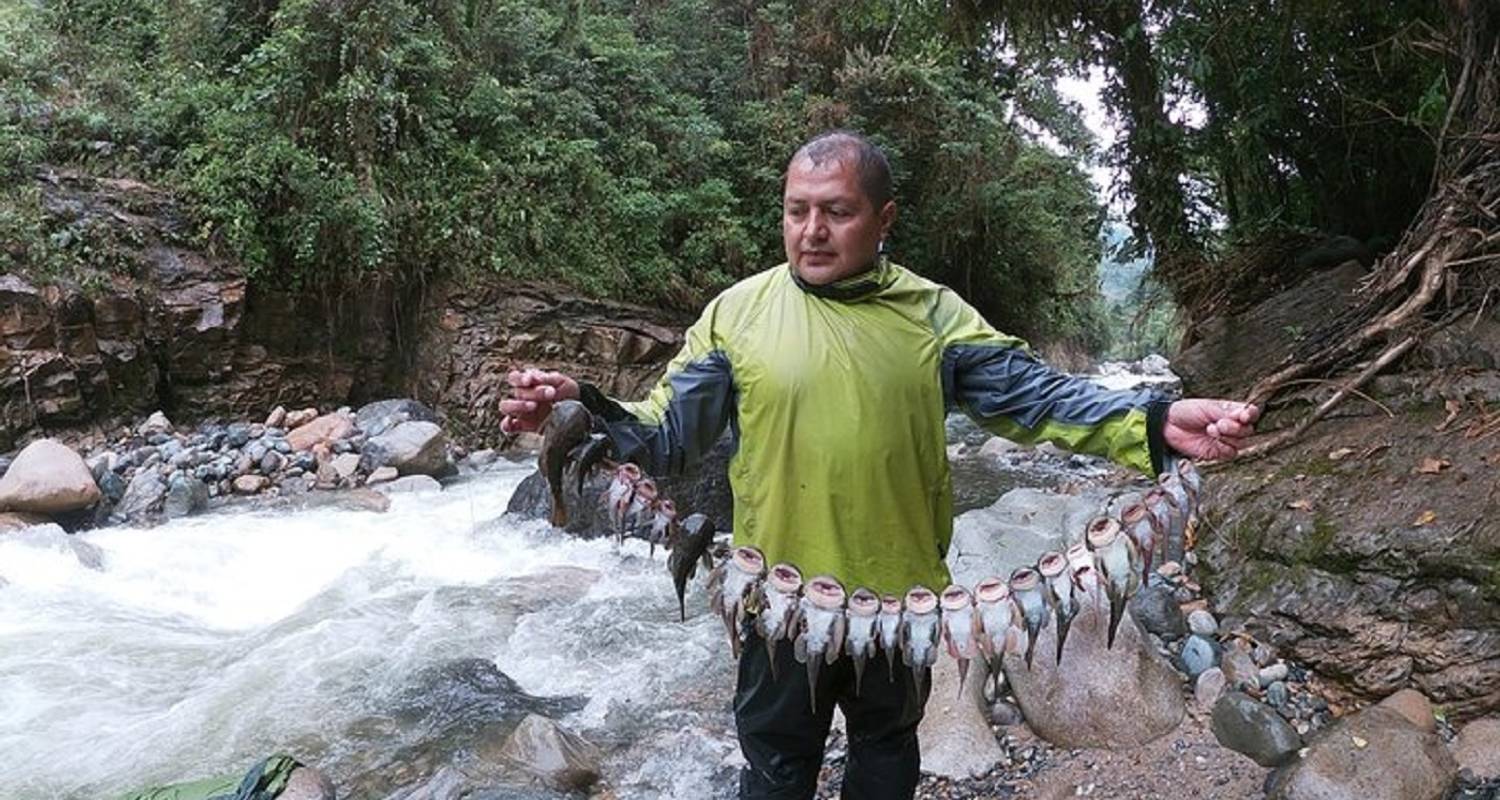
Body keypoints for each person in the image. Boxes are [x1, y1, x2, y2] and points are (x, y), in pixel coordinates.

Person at [499, 130, 1259, 800]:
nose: (813, 231)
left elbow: (1039, 398)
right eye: (797, 210)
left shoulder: (933, 316)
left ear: (884, 219)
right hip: (775, 599)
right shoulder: (738, 315)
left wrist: (1156, 422)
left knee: (887, 755)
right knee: (772, 768)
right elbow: (665, 439)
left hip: (901, 605)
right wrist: (583, 412)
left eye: (837, 210)